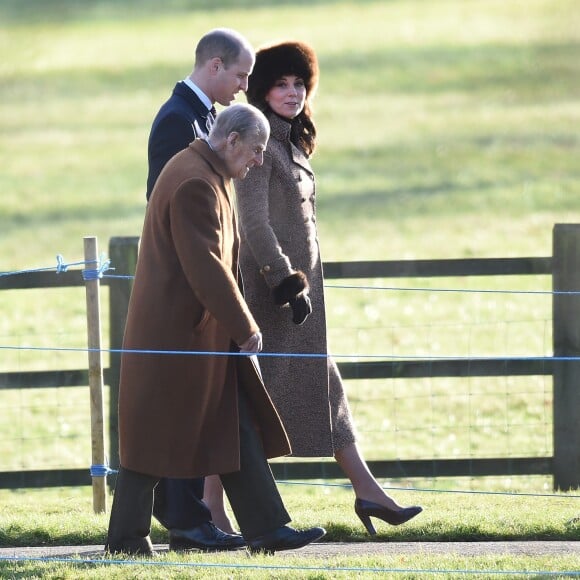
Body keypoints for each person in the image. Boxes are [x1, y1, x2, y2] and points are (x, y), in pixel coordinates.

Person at [105, 104, 326, 556]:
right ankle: (126, 540)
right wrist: (245, 326)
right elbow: (205, 266)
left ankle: (266, 530)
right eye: (257, 150)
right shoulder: (194, 181)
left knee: (235, 425)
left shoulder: (207, 173)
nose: (259, 161)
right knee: (151, 438)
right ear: (231, 141)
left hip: (197, 335)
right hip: (177, 339)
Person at [231, 41, 423, 536]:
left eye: (300, 84)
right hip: (276, 299)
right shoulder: (258, 143)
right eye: (281, 84)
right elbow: (252, 225)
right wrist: (285, 281)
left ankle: (368, 491)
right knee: (252, 401)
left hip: (302, 303)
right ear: (261, 89)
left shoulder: (289, 142)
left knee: (324, 387)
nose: (292, 92)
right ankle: (211, 508)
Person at [144, 27, 254, 549]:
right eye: (240, 75)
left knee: (196, 409)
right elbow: (168, 211)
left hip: (202, 295)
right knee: (181, 409)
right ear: (214, 65)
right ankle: (184, 520)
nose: (243, 86)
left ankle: (195, 518)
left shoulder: (205, 116)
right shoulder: (178, 122)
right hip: (184, 295)